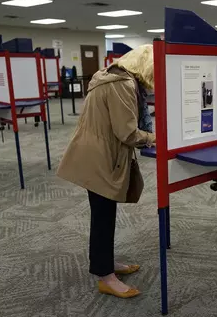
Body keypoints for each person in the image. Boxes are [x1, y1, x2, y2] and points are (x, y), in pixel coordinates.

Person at [57, 45, 156, 298]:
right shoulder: (122, 85)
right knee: (102, 217)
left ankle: (106, 264)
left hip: (96, 152)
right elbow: (128, 133)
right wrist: (156, 138)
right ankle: (105, 277)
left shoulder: (111, 76)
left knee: (104, 213)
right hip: (100, 157)